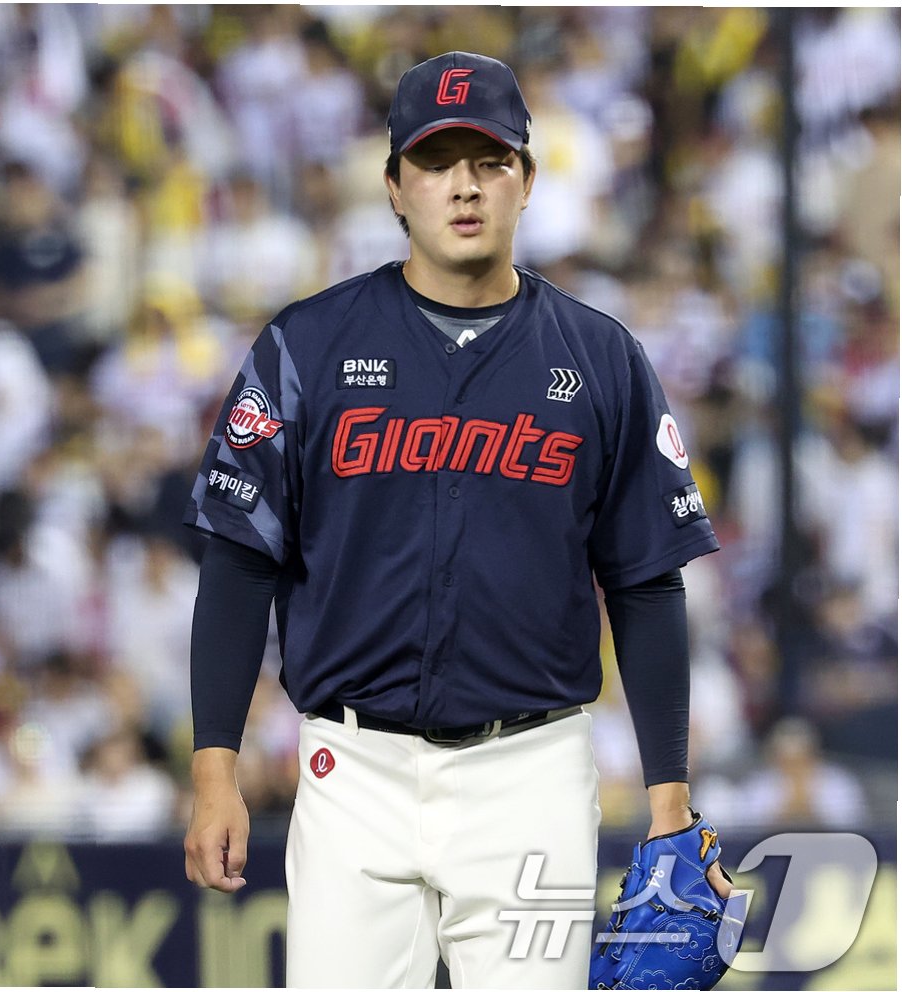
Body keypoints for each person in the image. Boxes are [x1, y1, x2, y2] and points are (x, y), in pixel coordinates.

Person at [182, 52, 731, 989]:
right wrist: (213, 773)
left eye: (489, 160)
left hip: (532, 773)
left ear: (528, 179)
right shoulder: (307, 345)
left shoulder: (601, 358)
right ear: (395, 187)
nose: (465, 186)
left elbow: (646, 583)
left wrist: (669, 801)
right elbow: (239, 566)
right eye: (436, 163)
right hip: (349, 770)